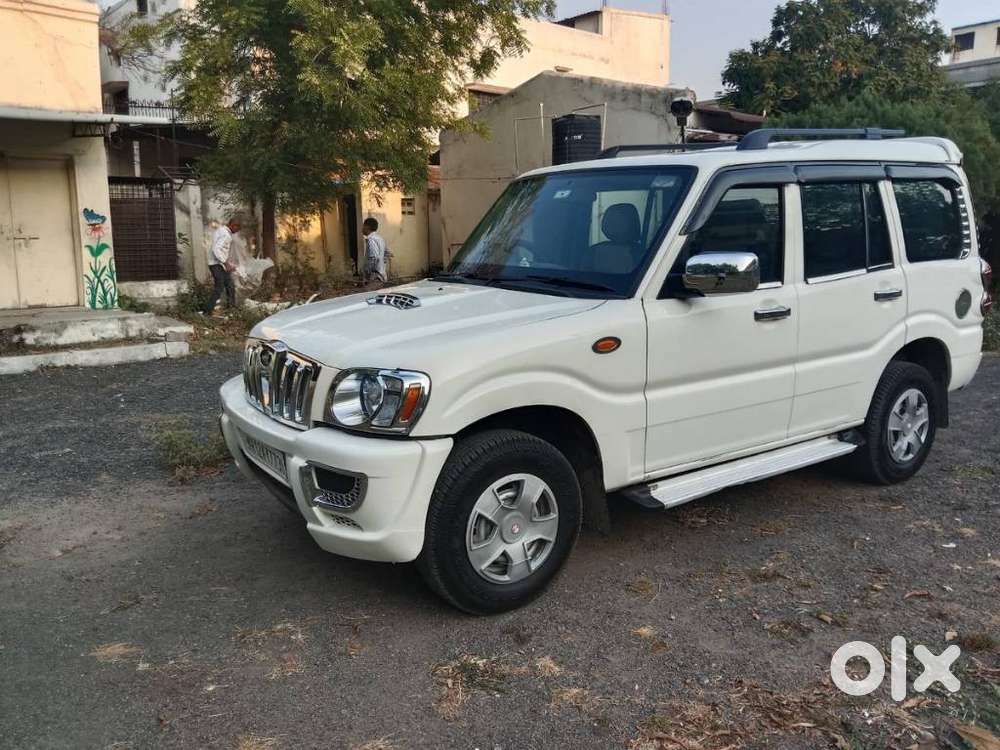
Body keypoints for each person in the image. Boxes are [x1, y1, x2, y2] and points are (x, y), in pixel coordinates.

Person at [202, 218, 241, 315]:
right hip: (216, 264)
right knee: (219, 287)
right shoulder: (226, 235)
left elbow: (219, 249)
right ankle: (207, 311)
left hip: (218, 264)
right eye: (237, 228)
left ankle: (231, 308)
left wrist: (226, 262)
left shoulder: (221, 230)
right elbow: (216, 249)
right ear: (233, 225)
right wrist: (225, 263)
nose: (237, 231)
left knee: (230, 285)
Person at [362, 217, 388, 285]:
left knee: (369, 295)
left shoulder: (371, 239)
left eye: (363, 226)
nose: (362, 228)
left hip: (374, 277)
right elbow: (386, 255)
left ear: (367, 227)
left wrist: (367, 272)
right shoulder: (380, 238)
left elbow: (373, 257)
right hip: (381, 275)